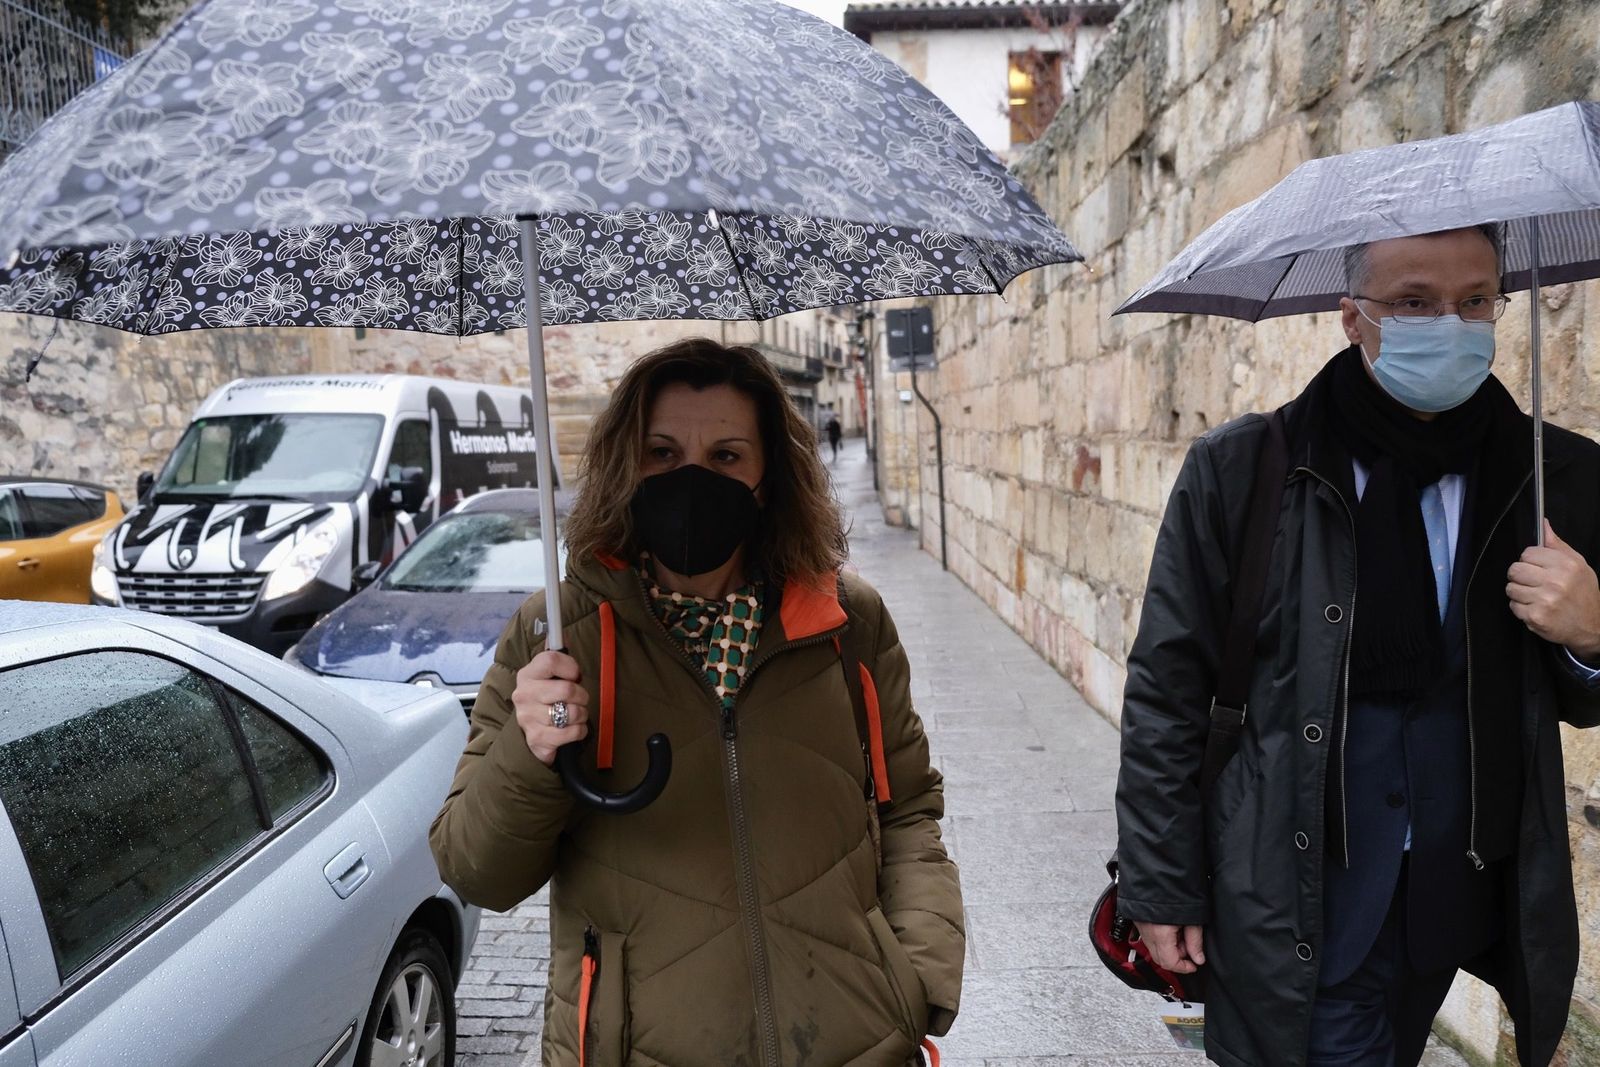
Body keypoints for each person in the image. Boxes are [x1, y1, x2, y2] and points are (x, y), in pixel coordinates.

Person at [1115, 225, 1600, 1067]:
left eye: (1475, 300)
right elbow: (1167, 689)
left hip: (1453, 897)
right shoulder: (1245, 470)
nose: (1450, 323)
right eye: (1414, 302)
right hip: (1295, 888)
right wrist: (1160, 883)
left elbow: (1580, 698)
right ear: (1351, 316)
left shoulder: (1552, 475)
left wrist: (1592, 631)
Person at [430, 338, 964, 1067]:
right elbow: (474, 869)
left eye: (725, 456)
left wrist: (917, 979)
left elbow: (907, 811)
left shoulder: (847, 624)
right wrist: (534, 748)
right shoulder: (553, 637)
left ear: (767, 476)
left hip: (853, 1041)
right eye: (662, 452)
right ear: (627, 465)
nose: (691, 478)